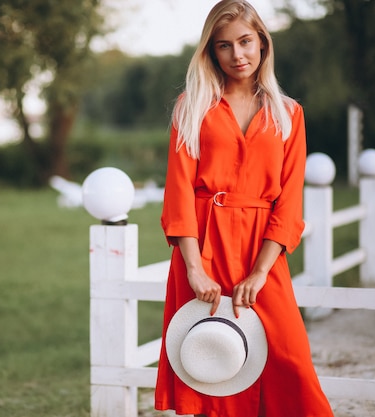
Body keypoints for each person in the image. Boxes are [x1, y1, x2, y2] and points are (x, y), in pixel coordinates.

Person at [154, 1, 335, 416]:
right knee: (214, 359)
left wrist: (260, 270)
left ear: (263, 43)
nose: (237, 55)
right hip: (203, 248)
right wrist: (194, 267)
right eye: (224, 46)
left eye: (245, 41)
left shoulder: (289, 113)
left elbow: (289, 202)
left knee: (289, 357)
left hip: (263, 252)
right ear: (211, 52)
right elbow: (178, 191)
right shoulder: (192, 106)